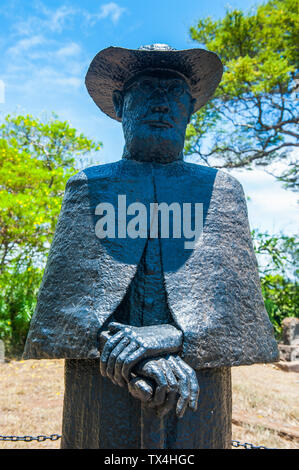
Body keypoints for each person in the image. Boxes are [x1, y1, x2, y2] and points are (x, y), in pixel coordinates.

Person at [23, 44, 278, 449]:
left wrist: (169, 338)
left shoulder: (219, 190)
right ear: (123, 104)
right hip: (102, 383)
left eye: (175, 94)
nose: (162, 104)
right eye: (148, 91)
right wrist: (129, 351)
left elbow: (238, 316)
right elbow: (62, 315)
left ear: (190, 110)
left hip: (198, 382)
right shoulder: (90, 187)